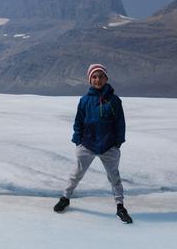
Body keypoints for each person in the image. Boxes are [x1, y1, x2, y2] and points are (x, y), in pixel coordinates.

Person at [53, 63, 133, 224]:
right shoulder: (84, 100)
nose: (98, 79)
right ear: (90, 80)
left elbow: (120, 123)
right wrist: (78, 141)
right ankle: (65, 198)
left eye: (101, 76)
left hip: (109, 145)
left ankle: (120, 207)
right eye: (94, 77)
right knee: (76, 174)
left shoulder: (114, 101)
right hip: (87, 144)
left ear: (106, 78)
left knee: (114, 177)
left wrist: (118, 142)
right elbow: (78, 122)